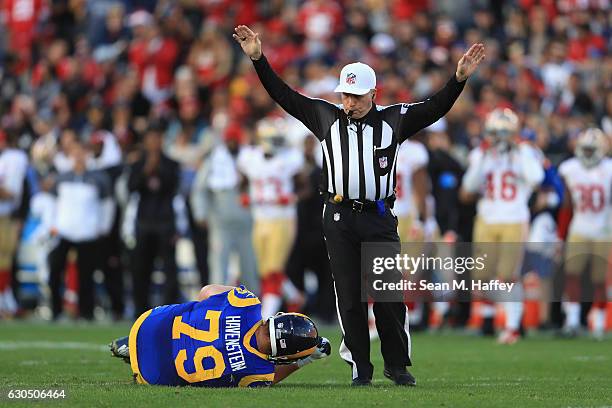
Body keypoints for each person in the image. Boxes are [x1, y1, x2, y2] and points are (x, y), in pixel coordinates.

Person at [233, 24, 484, 385]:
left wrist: (458, 80)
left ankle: (396, 365)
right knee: (349, 298)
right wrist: (258, 59)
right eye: (345, 95)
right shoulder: (325, 117)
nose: (348, 102)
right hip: (337, 215)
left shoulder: (394, 120)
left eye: (355, 95)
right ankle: (359, 369)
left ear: (372, 93)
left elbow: (434, 108)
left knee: (387, 298)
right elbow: (284, 95)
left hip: (379, 216)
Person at [109, 284, 331, 387]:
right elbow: (272, 378)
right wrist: (306, 359)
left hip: (148, 324)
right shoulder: (257, 372)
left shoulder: (247, 303)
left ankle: (137, 341)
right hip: (153, 375)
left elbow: (206, 291)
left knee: (197, 306)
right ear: (285, 356)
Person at [459, 108, 545, 344]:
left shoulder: (525, 152)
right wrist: (485, 157)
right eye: (496, 133)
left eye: (505, 133)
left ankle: (512, 326)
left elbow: (536, 178)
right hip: (486, 218)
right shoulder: (481, 154)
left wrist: (520, 152)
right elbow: (469, 186)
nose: (500, 138)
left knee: (509, 276)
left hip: (514, 218)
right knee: (482, 276)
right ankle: (495, 318)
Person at [557, 128, 611, 340]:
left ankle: (597, 323)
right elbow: (567, 205)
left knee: (600, 280)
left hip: (604, 230)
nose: (588, 154)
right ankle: (572, 321)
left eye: (592, 150)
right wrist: (561, 235)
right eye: (585, 150)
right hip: (579, 228)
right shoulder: (570, 168)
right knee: (572, 275)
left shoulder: (609, 168)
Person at [127, 122, 180, 317]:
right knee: (140, 270)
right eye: (150, 139)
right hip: (144, 223)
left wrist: (157, 166)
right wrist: (146, 169)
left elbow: (172, 187)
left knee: (169, 272)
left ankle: (170, 315)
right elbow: (131, 187)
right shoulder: (138, 164)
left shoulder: (171, 164)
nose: (154, 143)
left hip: (165, 223)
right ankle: (141, 314)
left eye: (157, 139)